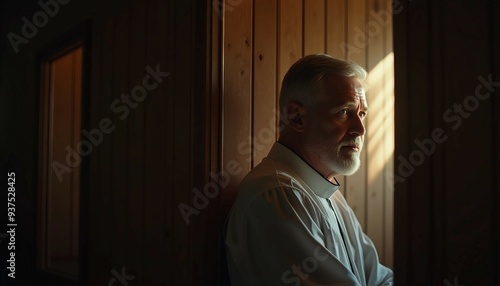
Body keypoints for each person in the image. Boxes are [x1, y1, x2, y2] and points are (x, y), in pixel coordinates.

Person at [225, 54, 394, 285]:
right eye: (344, 111)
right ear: (296, 117)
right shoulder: (277, 195)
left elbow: (380, 279)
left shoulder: (331, 198)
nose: (360, 129)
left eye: (361, 113)